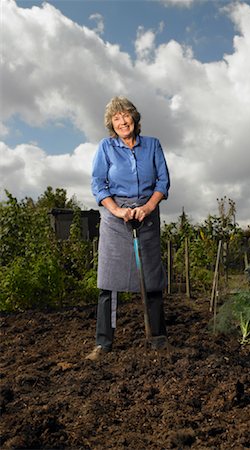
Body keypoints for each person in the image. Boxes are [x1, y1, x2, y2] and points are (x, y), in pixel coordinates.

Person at [86, 96, 170, 361]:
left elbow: (163, 181)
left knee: (152, 278)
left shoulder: (153, 146)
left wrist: (147, 208)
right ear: (112, 124)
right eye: (116, 118)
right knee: (109, 283)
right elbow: (99, 183)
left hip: (147, 216)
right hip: (115, 219)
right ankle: (104, 344)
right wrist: (117, 210)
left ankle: (157, 338)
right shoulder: (106, 148)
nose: (122, 121)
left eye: (125, 115)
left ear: (134, 117)